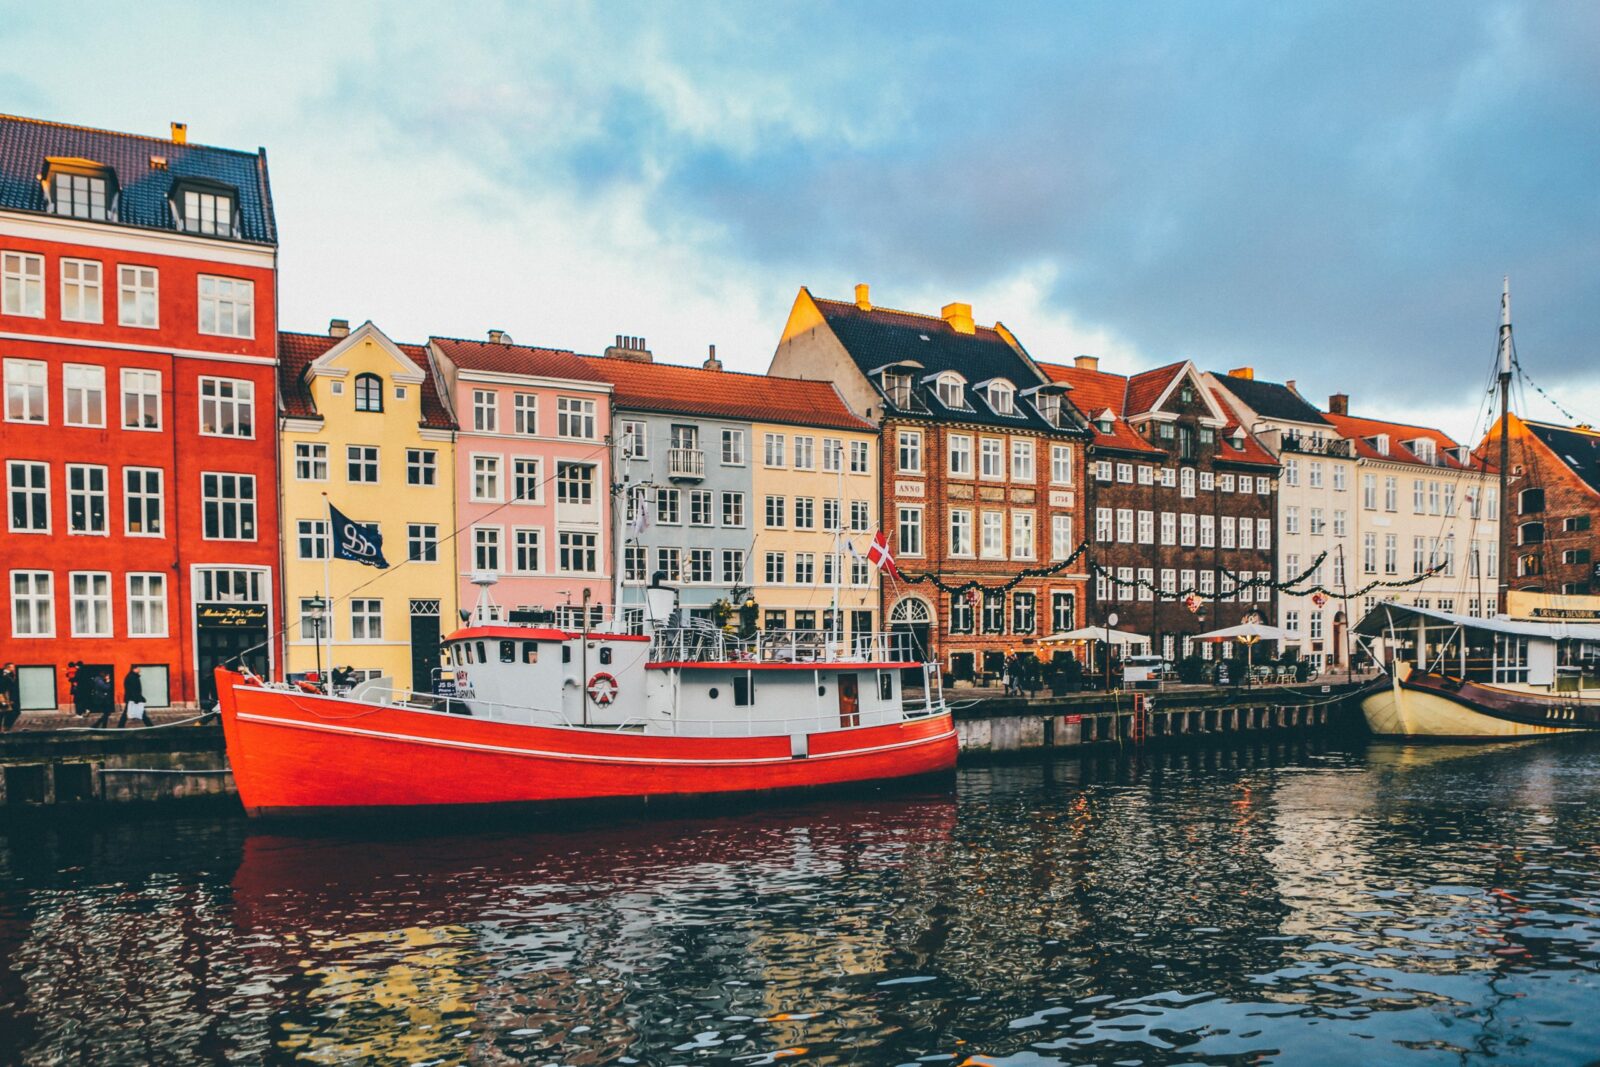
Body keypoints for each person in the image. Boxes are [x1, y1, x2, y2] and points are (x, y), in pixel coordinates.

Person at [1, 663, 19, 733]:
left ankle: (6, 727)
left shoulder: (12, 675)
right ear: (8, 667)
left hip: (8, 696)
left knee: (14, 711)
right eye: (12, 667)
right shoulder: (2, 674)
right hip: (2, 696)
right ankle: (5, 728)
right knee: (3, 711)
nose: (14, 668)